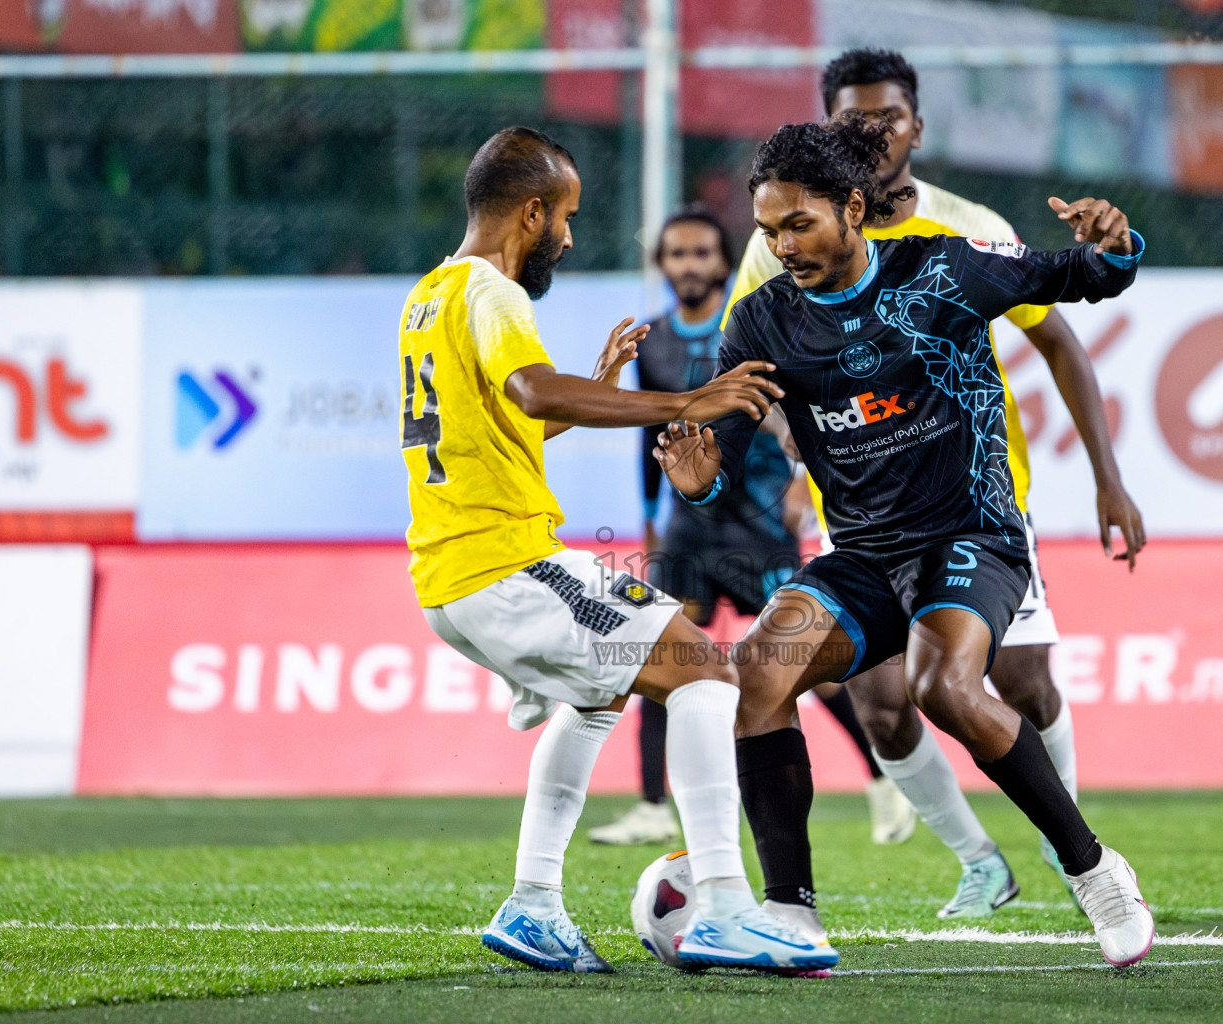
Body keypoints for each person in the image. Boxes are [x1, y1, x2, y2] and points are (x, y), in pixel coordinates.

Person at [657, 114, 1155, 967]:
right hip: (864, 557)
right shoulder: (760, 324)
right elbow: (723, 462)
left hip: (975, 535)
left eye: (799, 224)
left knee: (941, 686)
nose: (782, 245)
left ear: (853, 209)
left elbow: (1080, 276)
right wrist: (700, 475)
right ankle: (793, 913)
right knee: (760, 674)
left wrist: (1115, 243)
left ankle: (1095, 869)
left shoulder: (943, 267)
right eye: (769, 230)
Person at [399, 125, 836, 973]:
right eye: (562, 216)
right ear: (529, 212)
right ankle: (722, 906)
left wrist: (594, 390)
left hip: (452, 575)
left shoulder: (429, 295)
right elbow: (532, 387)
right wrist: (693, 399)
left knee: (601, 698)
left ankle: (533, 905)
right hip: (504, 562)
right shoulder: (493, 294)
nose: (566, 235)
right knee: (708, 669)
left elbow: (515, 417)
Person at [588, 206, 914, 847]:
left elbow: (803, 410)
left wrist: (801, 481)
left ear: (722, 260)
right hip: (688, 528)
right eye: (677, 254)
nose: (689, 265)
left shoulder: (753, 323)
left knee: (799, 659)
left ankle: (883, 779)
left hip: (757, 525)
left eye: (701, 253)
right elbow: (651, 439)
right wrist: (652, 518)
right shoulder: (652, 341)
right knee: (661, 651)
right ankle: (653, 803)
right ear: (664, 265)